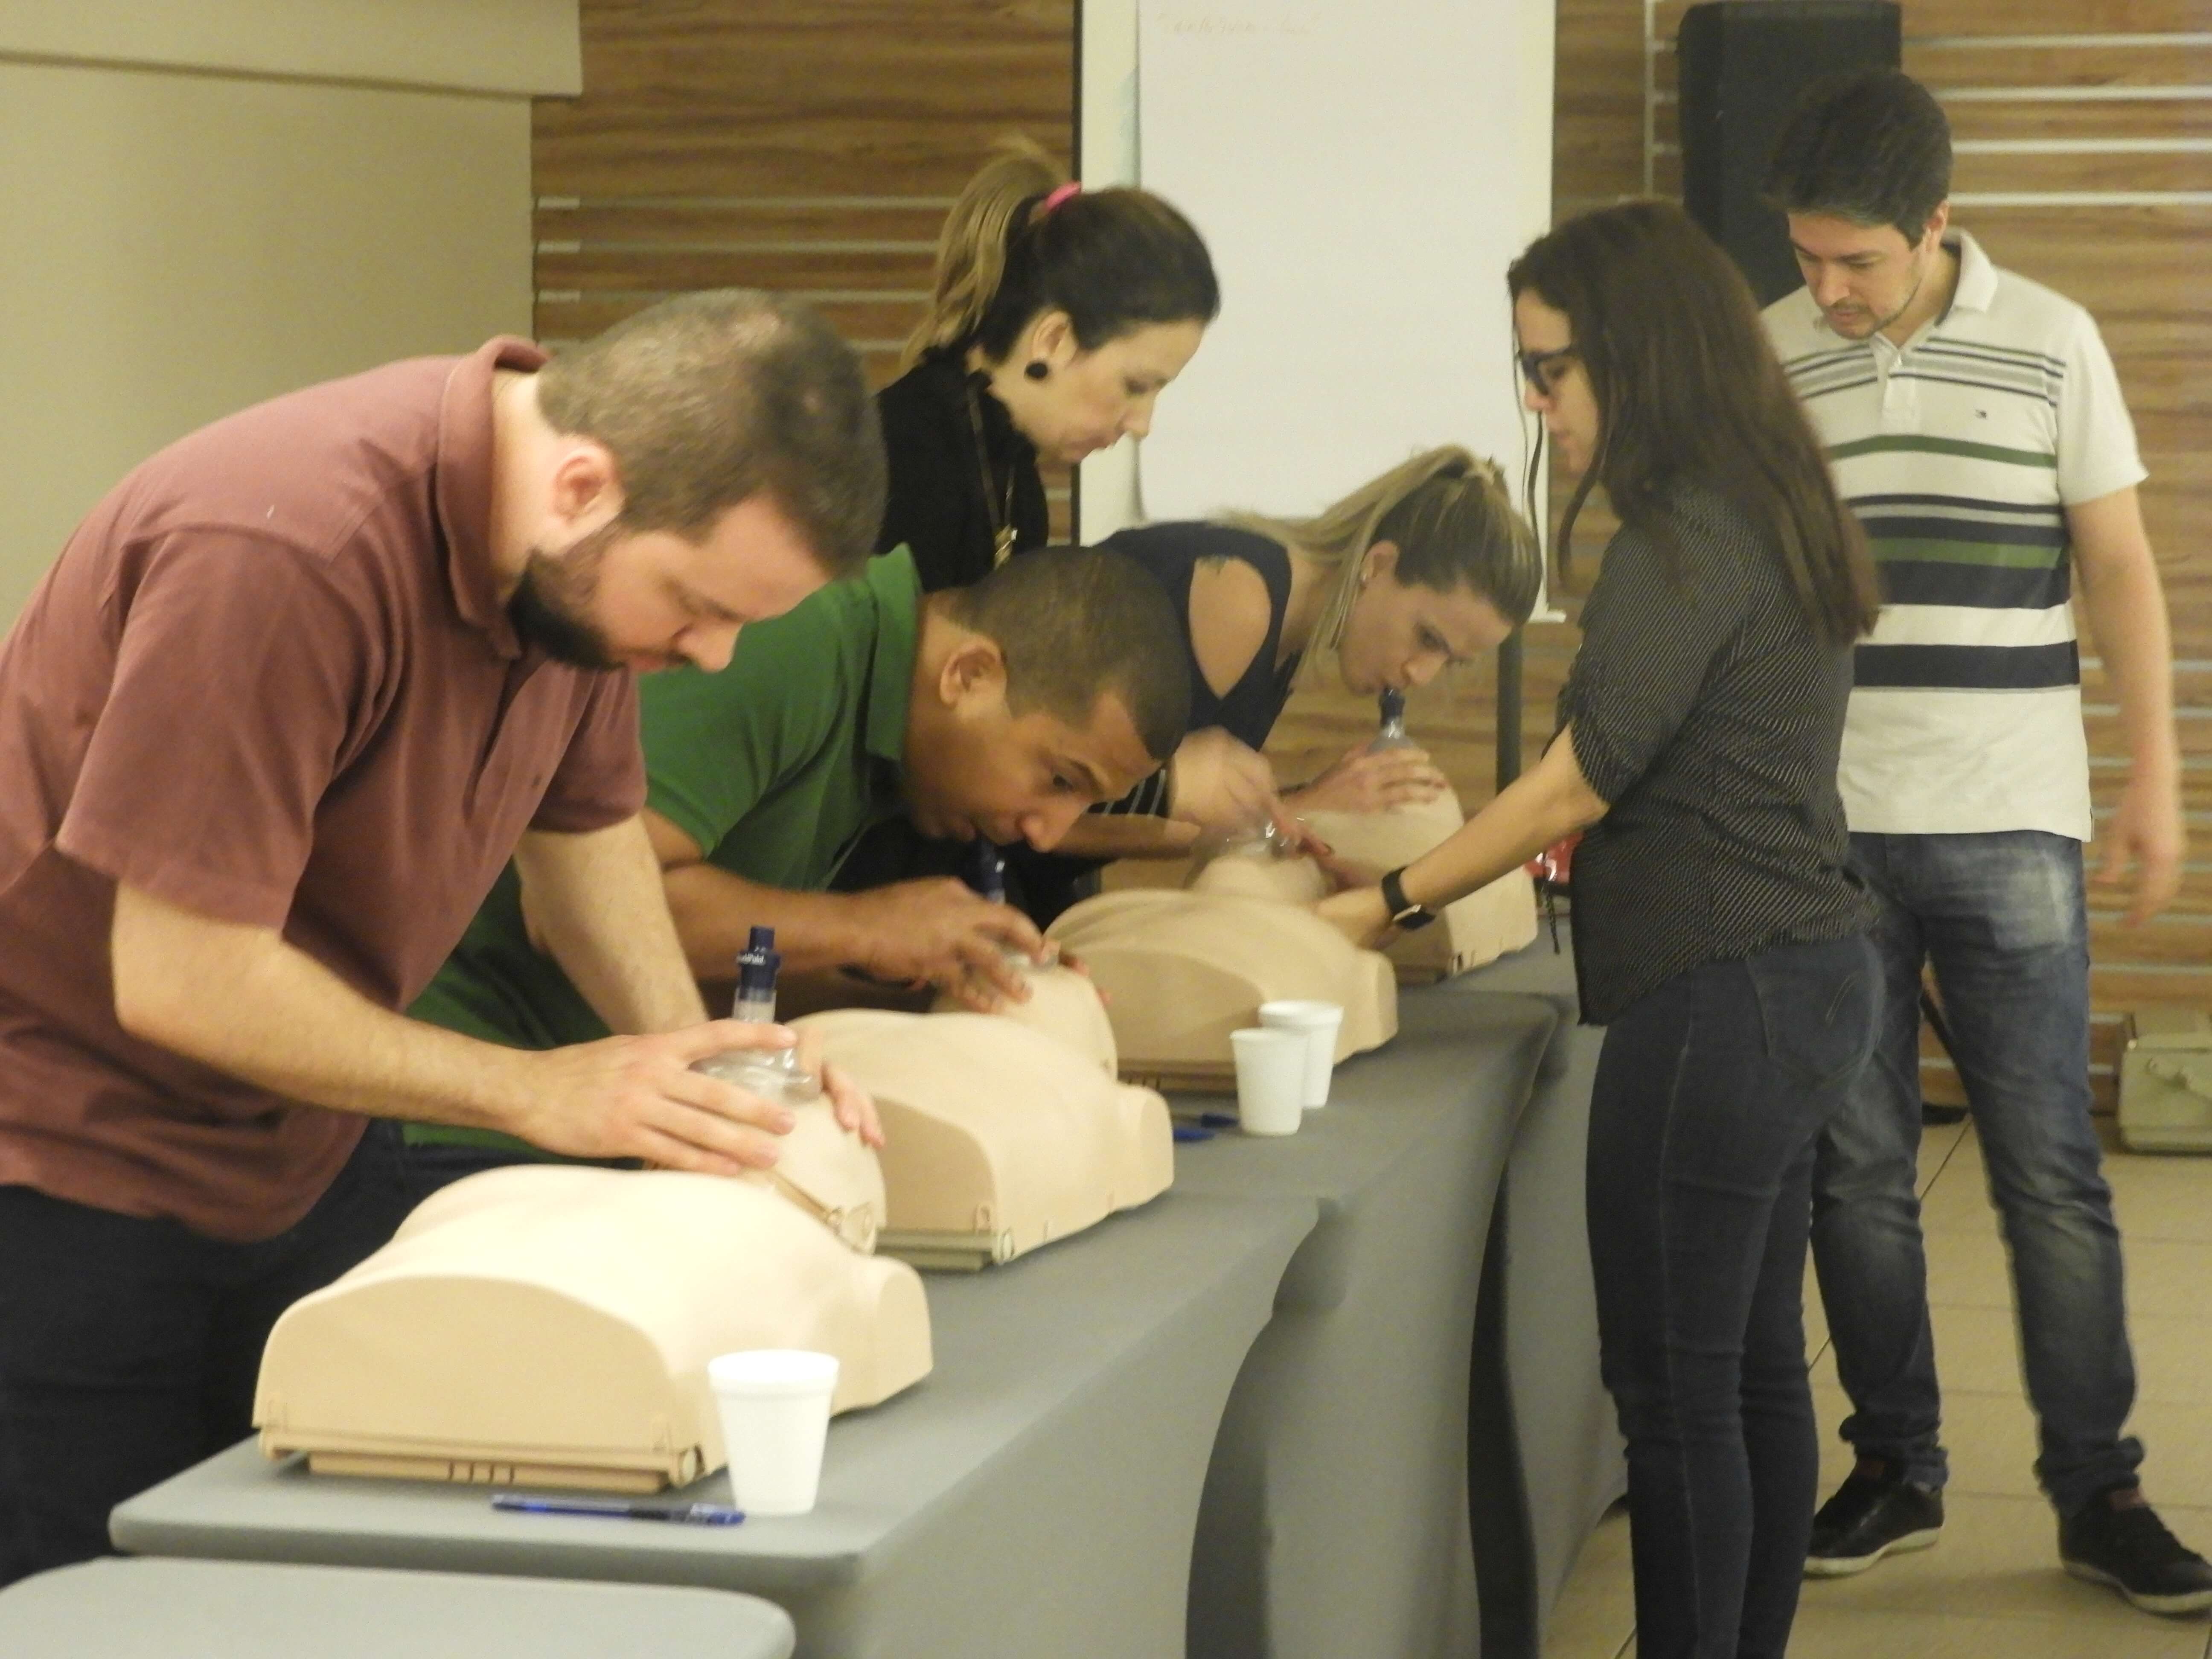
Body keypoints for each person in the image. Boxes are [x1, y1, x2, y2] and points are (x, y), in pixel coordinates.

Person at [0, 288, 887, 1587]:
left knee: (330, 1590)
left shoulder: (569, 580)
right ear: (582, 485)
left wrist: (709, 1073)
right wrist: (540, 1090)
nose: (713, 657)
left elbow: (588, 861)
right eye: (698, 606)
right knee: (105, 1607)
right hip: (69, 1172)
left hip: (303, 1144)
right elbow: (183, 980)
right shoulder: (286, 547)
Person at [1321, 200, 1883, 1659]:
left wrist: (1384, 899)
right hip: (1799, 981)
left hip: (1721, 994)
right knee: (1747, 1369)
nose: (1534, 399)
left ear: (1637, 357)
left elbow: (1585, 766)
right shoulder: (1764, 501)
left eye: (1551, 367)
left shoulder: (1686, 531)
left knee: (1677, 1392)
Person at [1760, 68, 2211, 1614]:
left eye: (1858, 262)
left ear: (1939, 225)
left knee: (2047, 1175)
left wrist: (2152, 778)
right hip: (1831, 830)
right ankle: (1897, 1467)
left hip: (2012, 813)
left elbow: (2120, 571)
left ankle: (2100, 1492)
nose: (1827, 289)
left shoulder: (2051, 344)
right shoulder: (1777, 351)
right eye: (1808, 257)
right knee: (1859, 1172)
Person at [406, 541, 1191, 1174]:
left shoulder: (891, 738)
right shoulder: (795, 645)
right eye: (1057, 779)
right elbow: (580, 907)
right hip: (451, 1109)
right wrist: (857, 927)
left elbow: (718, 962)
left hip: (594, 1106)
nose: (1046, 832)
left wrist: (926, 992)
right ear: (968, 674)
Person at [997, 447, 1543, 921]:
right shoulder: (1241, 599)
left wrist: (1282, 816)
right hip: (974, 857)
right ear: (1377, 564)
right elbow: (1051, 811)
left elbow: (1155, 802)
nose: (1419, 675)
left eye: (1451, 663)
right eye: (1427, 638)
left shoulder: (1289, 622)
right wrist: (1300, 809)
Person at [875, 138, 1219, 594]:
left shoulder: (1016, 481)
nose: (1142, 424)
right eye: (1135, 385)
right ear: (1054, 341)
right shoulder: (893, 460)